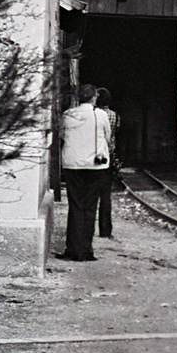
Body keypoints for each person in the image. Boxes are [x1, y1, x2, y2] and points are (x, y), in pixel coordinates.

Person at [57, 84, 111, 261]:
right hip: (95, 166)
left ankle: (73, 250)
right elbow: (107, 137)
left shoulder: (67, 115)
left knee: (75, 206)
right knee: (90, 208)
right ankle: (86, 250)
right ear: (94, 98)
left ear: (77, 98)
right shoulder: (101, 115)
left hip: (73, 165)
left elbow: (62, 136)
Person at [94, 88, 119, 239]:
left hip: (92, 155)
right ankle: (105, 230)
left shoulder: (94, 115)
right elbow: (114, 133)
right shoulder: (114, 116)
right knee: (105, 195)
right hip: (107, 155)